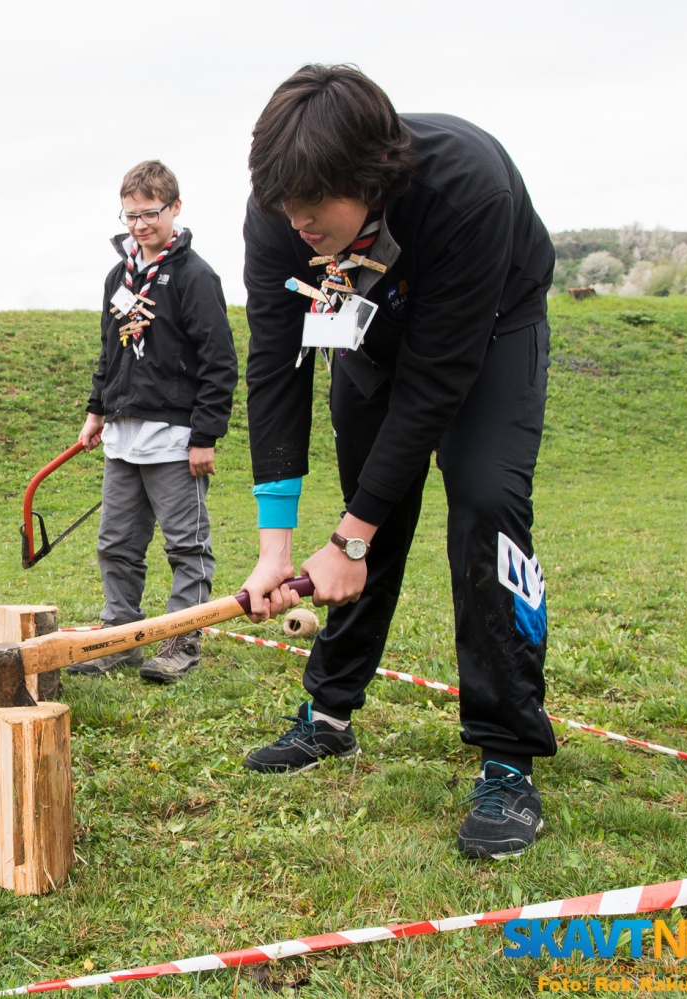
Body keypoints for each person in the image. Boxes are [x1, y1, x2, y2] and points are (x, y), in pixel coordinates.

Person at [238, 65, 557, 860]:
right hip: (371, 326)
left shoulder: (467, 186)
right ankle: (328, 713)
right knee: (368, 504)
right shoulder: (282, 209)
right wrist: (278, 546)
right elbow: (277, 364)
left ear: (370, 182)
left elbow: (437, 381)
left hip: (488, 331)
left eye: (313, 213)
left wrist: (350, 540)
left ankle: (508, 755)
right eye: (287, 210)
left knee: (485, 502)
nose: (296, 225)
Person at [70, 160, 238, 683]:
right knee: (116, 544)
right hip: (122, 438)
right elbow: (109, 351)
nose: (140, 225)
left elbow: (220, 362)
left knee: (186, 545)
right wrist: (97, 410)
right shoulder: (116, 277)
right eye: (130, 216)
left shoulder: (194, 276)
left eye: (149, 213)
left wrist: (205, 435)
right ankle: (121, 638)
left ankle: (181, 642)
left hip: (176, 439)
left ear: (175, 209)